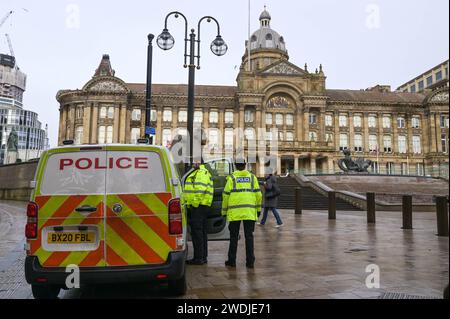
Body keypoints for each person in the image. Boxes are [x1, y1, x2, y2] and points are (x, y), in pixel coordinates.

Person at [222, 158, 262, 268]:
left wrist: (224, 211)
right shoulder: (252, 178)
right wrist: (258, 210)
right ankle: (250, 262)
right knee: (249, 236)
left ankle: (232, 260)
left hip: (235, 212)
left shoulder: (232, 178)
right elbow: (258, 195)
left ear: (235, 166)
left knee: (233, 237)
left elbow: (225, 196)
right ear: (245, 165)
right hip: (249, 212)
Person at [183, 161, 214, 265]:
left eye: (195, 162)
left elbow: (200, 190)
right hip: (201, 206)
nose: (193, 164)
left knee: (197, 233)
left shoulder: (200, 172)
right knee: (201, 233)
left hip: (198, 207)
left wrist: (194, 204)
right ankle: (202, 257)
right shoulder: (199, 172)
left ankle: (199, 258)